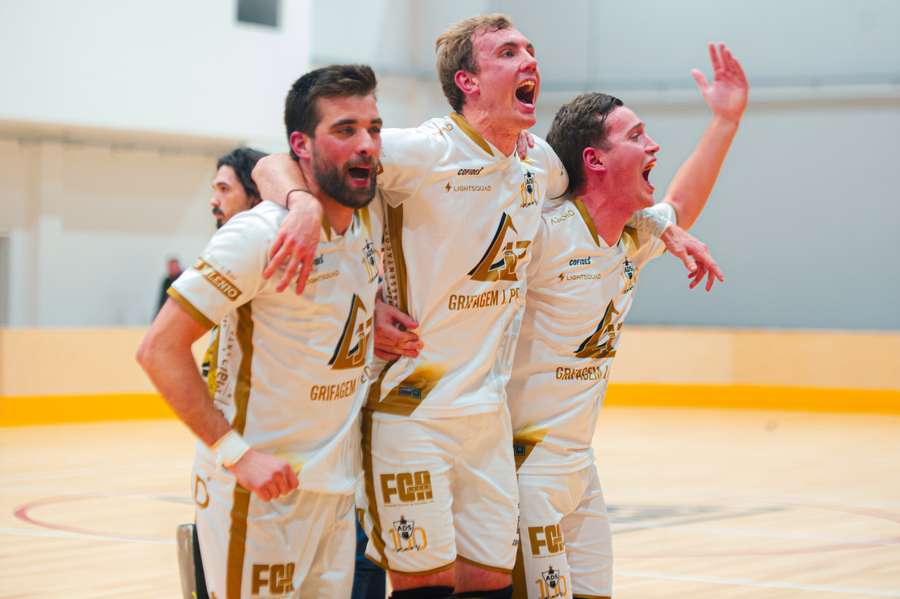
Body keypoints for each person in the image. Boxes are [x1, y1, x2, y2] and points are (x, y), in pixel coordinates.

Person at [253, 14, 569, 598]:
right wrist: (301, 206)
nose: (529, 60)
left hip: (487, 417)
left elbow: (599, 198)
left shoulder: (537, 162)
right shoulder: (424, 150)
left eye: (530, 49)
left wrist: (666, 230)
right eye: (507, 53)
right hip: (411, 407)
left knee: (491, 584)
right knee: (424, 586)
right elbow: (274, 162)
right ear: (468, 81)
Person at [509, 43, 748, 599]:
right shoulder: (541, 233)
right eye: (637, 136)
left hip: (579, 469)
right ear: (594, 160)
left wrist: (724, 122)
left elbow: (681, 205)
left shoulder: (634, 235)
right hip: (522, 470)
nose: (653, 144)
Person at [137, 64, 383, 598]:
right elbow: (159, 349)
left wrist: (374, 317)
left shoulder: (367, 224)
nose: (366, 144)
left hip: (335, 494)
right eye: (345, 130)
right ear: (302, 145)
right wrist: (235, 454)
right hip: (260, 495)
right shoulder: (258, 235)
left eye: (374, 129)